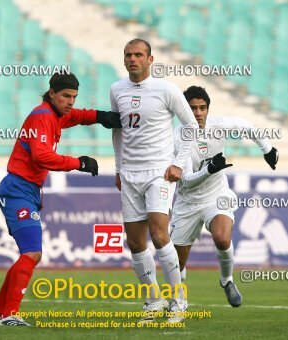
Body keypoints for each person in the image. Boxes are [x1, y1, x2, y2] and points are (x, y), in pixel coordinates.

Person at [0, 72, 121, 326]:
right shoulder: (43, 117)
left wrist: (100, 117)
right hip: (18, 189)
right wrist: (77, 162)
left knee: (30, 254)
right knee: (33, 252)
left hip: (26, 190)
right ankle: (10, 314)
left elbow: (77, 116)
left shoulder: (53, 114)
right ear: (52, 93)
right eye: (66, 96)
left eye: (74, 97)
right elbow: (41, 156)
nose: (70, 101)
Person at [111, 38, 198, 324]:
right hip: (130, 174)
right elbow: (118, 132)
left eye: (138, 54)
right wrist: (119, 168)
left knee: (159, 234)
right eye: (128, 55)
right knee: (135, 242)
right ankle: (153, 301)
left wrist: (178, 163)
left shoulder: (166, 89)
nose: (132, 59)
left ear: (150, 59)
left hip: (158, 172)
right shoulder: (116, 90)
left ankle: (179, 301)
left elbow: (191, 125)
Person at [171, 86, 279, 309]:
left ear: (208, 109)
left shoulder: (218, 126)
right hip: (187, 202)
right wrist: (209, 169)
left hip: (216, 195)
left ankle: (227, 280)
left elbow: (247, 127)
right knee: (175, 263)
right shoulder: (175, 139)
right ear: (184, 111)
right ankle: (179, 299)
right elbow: (184, 181)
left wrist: (268, 149)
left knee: (222, 237)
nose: (198, 113)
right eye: (192, 109)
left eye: (202, 108)